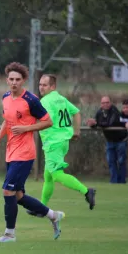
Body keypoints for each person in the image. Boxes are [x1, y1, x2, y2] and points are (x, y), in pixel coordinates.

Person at [0, 62, 65, 242]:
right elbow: (7, 121)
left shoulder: (31, 100)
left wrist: (26, 129)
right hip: (11, 151)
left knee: (7, 191)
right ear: (7, 80)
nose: (14, 82)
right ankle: (53, 215)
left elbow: (47, 122)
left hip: (24, 153)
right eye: (11, 79)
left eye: (18, 79)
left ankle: (9, 234)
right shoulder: (6, 97)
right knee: (18, 195)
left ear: (23, 80)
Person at [26, 74, 95, 215]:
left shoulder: (45, 101)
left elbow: (47, 121)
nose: (41, 87)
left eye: (45, 85)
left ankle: (87, 191)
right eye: (40, 84)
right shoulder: (61, 99)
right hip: (63, 141)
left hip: (53, 142)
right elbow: (76, 112)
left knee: (56, 175)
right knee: (48, 176)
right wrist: (76, 131)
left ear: (53, 87)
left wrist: (27, 127)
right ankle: (41, 208)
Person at [86, 96, 127, 183]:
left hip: (120, 140)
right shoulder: (100, 112)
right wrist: (92, 124)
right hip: (110, 141)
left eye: (107, 102)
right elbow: (97, 124)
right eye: (103, 103)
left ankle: (122, 181)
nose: (105, 104)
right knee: (111, 161)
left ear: (110, 103)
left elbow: (109, 123)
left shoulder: (114, 111)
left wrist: (96, 123)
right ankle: (114, 181)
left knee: (121, 161)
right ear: (101, 104)